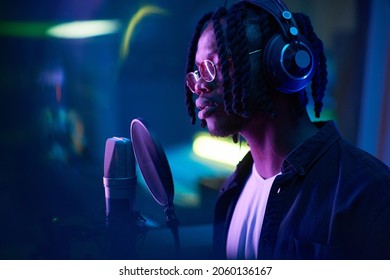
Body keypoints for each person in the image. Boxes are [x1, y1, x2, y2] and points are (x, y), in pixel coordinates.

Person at [184, 0, 390, 259]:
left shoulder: (369, 196)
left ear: (279, 64)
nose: (199, 86)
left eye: (213, 66)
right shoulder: (232, 191)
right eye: (197, 72)